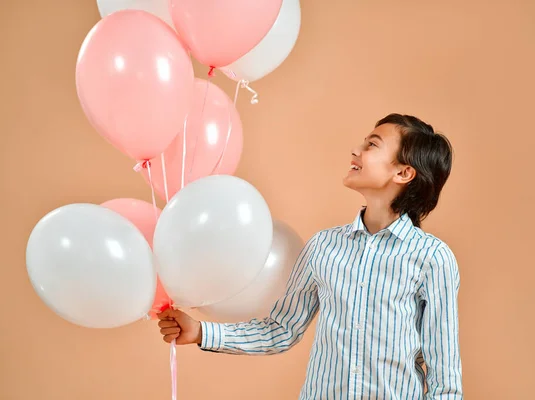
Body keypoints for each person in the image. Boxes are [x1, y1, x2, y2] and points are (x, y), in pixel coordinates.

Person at [157, 113, 463, 399]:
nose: (356, 151)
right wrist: (201, 332)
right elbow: (281, 329)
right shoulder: (323, 247)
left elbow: (444, 376)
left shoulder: (432, 258)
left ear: (403, 172)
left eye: (371, 145)